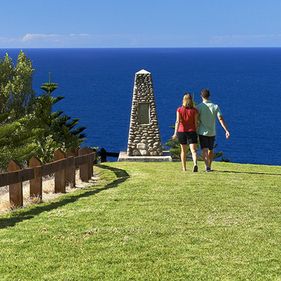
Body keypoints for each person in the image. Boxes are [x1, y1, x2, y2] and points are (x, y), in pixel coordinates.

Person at [197, 88, 230, 172]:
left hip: (202, 132)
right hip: (212, 132)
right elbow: (220, 119)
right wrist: (226, 130)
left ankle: (207, 166)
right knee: (211, 150)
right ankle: (209, 166)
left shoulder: (199, 107)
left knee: (204, 149)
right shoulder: (215, 106)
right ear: (209, 96)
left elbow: (196, 120)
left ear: (201, 96)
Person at [172, 93, 198, 172]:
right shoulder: (194, 110)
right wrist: (196, 131)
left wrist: (175, 133)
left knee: (183, 151)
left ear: (183, 100)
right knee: (193, 150)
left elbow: (177, 122)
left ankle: (184, 168)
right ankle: (195, 164)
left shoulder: (179, 109)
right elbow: (196, 122)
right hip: (192, 131)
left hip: (181, 131)